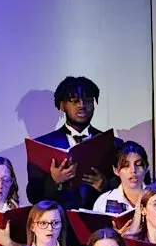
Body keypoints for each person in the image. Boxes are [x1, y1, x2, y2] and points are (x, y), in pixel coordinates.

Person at [27, 75, 107, 212]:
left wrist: (104, 185)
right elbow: (33, 195)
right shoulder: (42, 145)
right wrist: (54, 181)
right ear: (62, 105)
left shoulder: (110, 143)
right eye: (74, 101)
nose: (82, 105)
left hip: (99, 228)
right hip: (59, 227)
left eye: (88, 100)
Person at [93, 141, 153, 215]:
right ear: (116, 170)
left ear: (146, 168)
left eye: (138, 164)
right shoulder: (103, 202)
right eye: (126, 165)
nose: (133, 170)